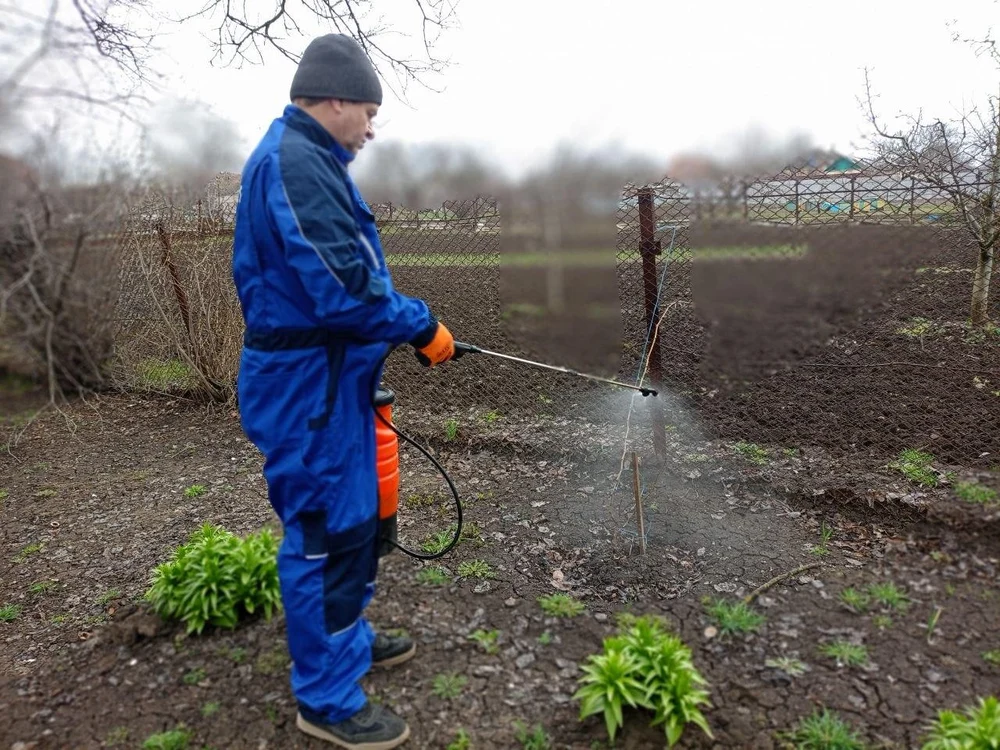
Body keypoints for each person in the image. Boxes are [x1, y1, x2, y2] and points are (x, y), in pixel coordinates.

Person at [231, 33, 456, 749]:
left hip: (334, 385)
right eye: (367, 109)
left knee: (354, 524)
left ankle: (347, 647)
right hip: (308, 391)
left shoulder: (311, 160)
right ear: (333, 99)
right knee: (325, 536)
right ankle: (325, 699)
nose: (371, 125)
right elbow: (344, 290)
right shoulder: (293, 162)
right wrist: (419, 324)